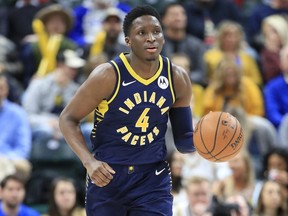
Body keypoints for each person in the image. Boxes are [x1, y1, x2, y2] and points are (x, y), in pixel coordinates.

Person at [59, 5, 195, 216]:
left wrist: (207, 143)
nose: (151, 38)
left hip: (152, 179)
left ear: (163, 37)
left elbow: (184, 142)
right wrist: (89, 162)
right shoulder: (107, 75)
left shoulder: (177, 77)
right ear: (128, 40)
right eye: (142, 33)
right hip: (108, 177)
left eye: (156, 31)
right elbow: (68, 119)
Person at [0, 73, 32, 182]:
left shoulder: (18, 113)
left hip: (10, 160)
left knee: (23, 166)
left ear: (7, 90)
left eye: (1, 88)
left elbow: (23, 148)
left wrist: (5, 159)